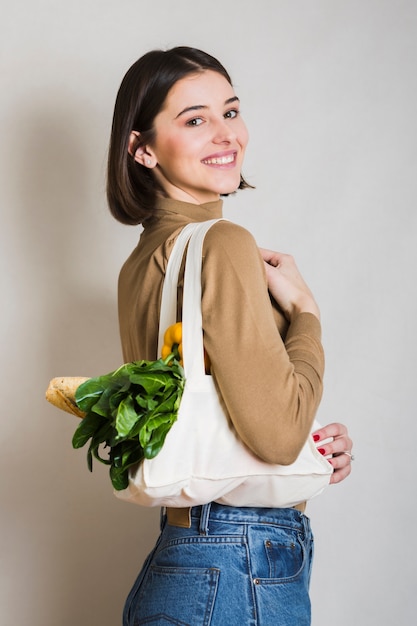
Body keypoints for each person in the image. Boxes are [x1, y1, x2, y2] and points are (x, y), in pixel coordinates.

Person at [106, 46, 353, 626]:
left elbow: (208, 408)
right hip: (242, 564)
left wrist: (310, 440)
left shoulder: (141, 263)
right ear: (142, 149)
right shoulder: (223, 243)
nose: (226, 135)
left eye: (231, 111)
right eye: (195, 120)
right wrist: (307, 315)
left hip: (181, 560)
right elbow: (276, 438)